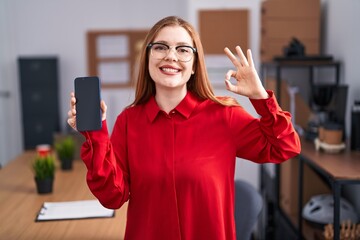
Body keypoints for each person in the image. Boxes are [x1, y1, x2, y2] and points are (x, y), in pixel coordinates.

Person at [67, 16, 301, 240]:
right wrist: (95, 136)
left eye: (182, 49)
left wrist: (261, 98)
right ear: (147, 58)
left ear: (194, 67)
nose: (170, 56)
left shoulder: (224, 115)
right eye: (160, 47)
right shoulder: (129, 122)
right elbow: (113, 196)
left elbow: (286, 146)